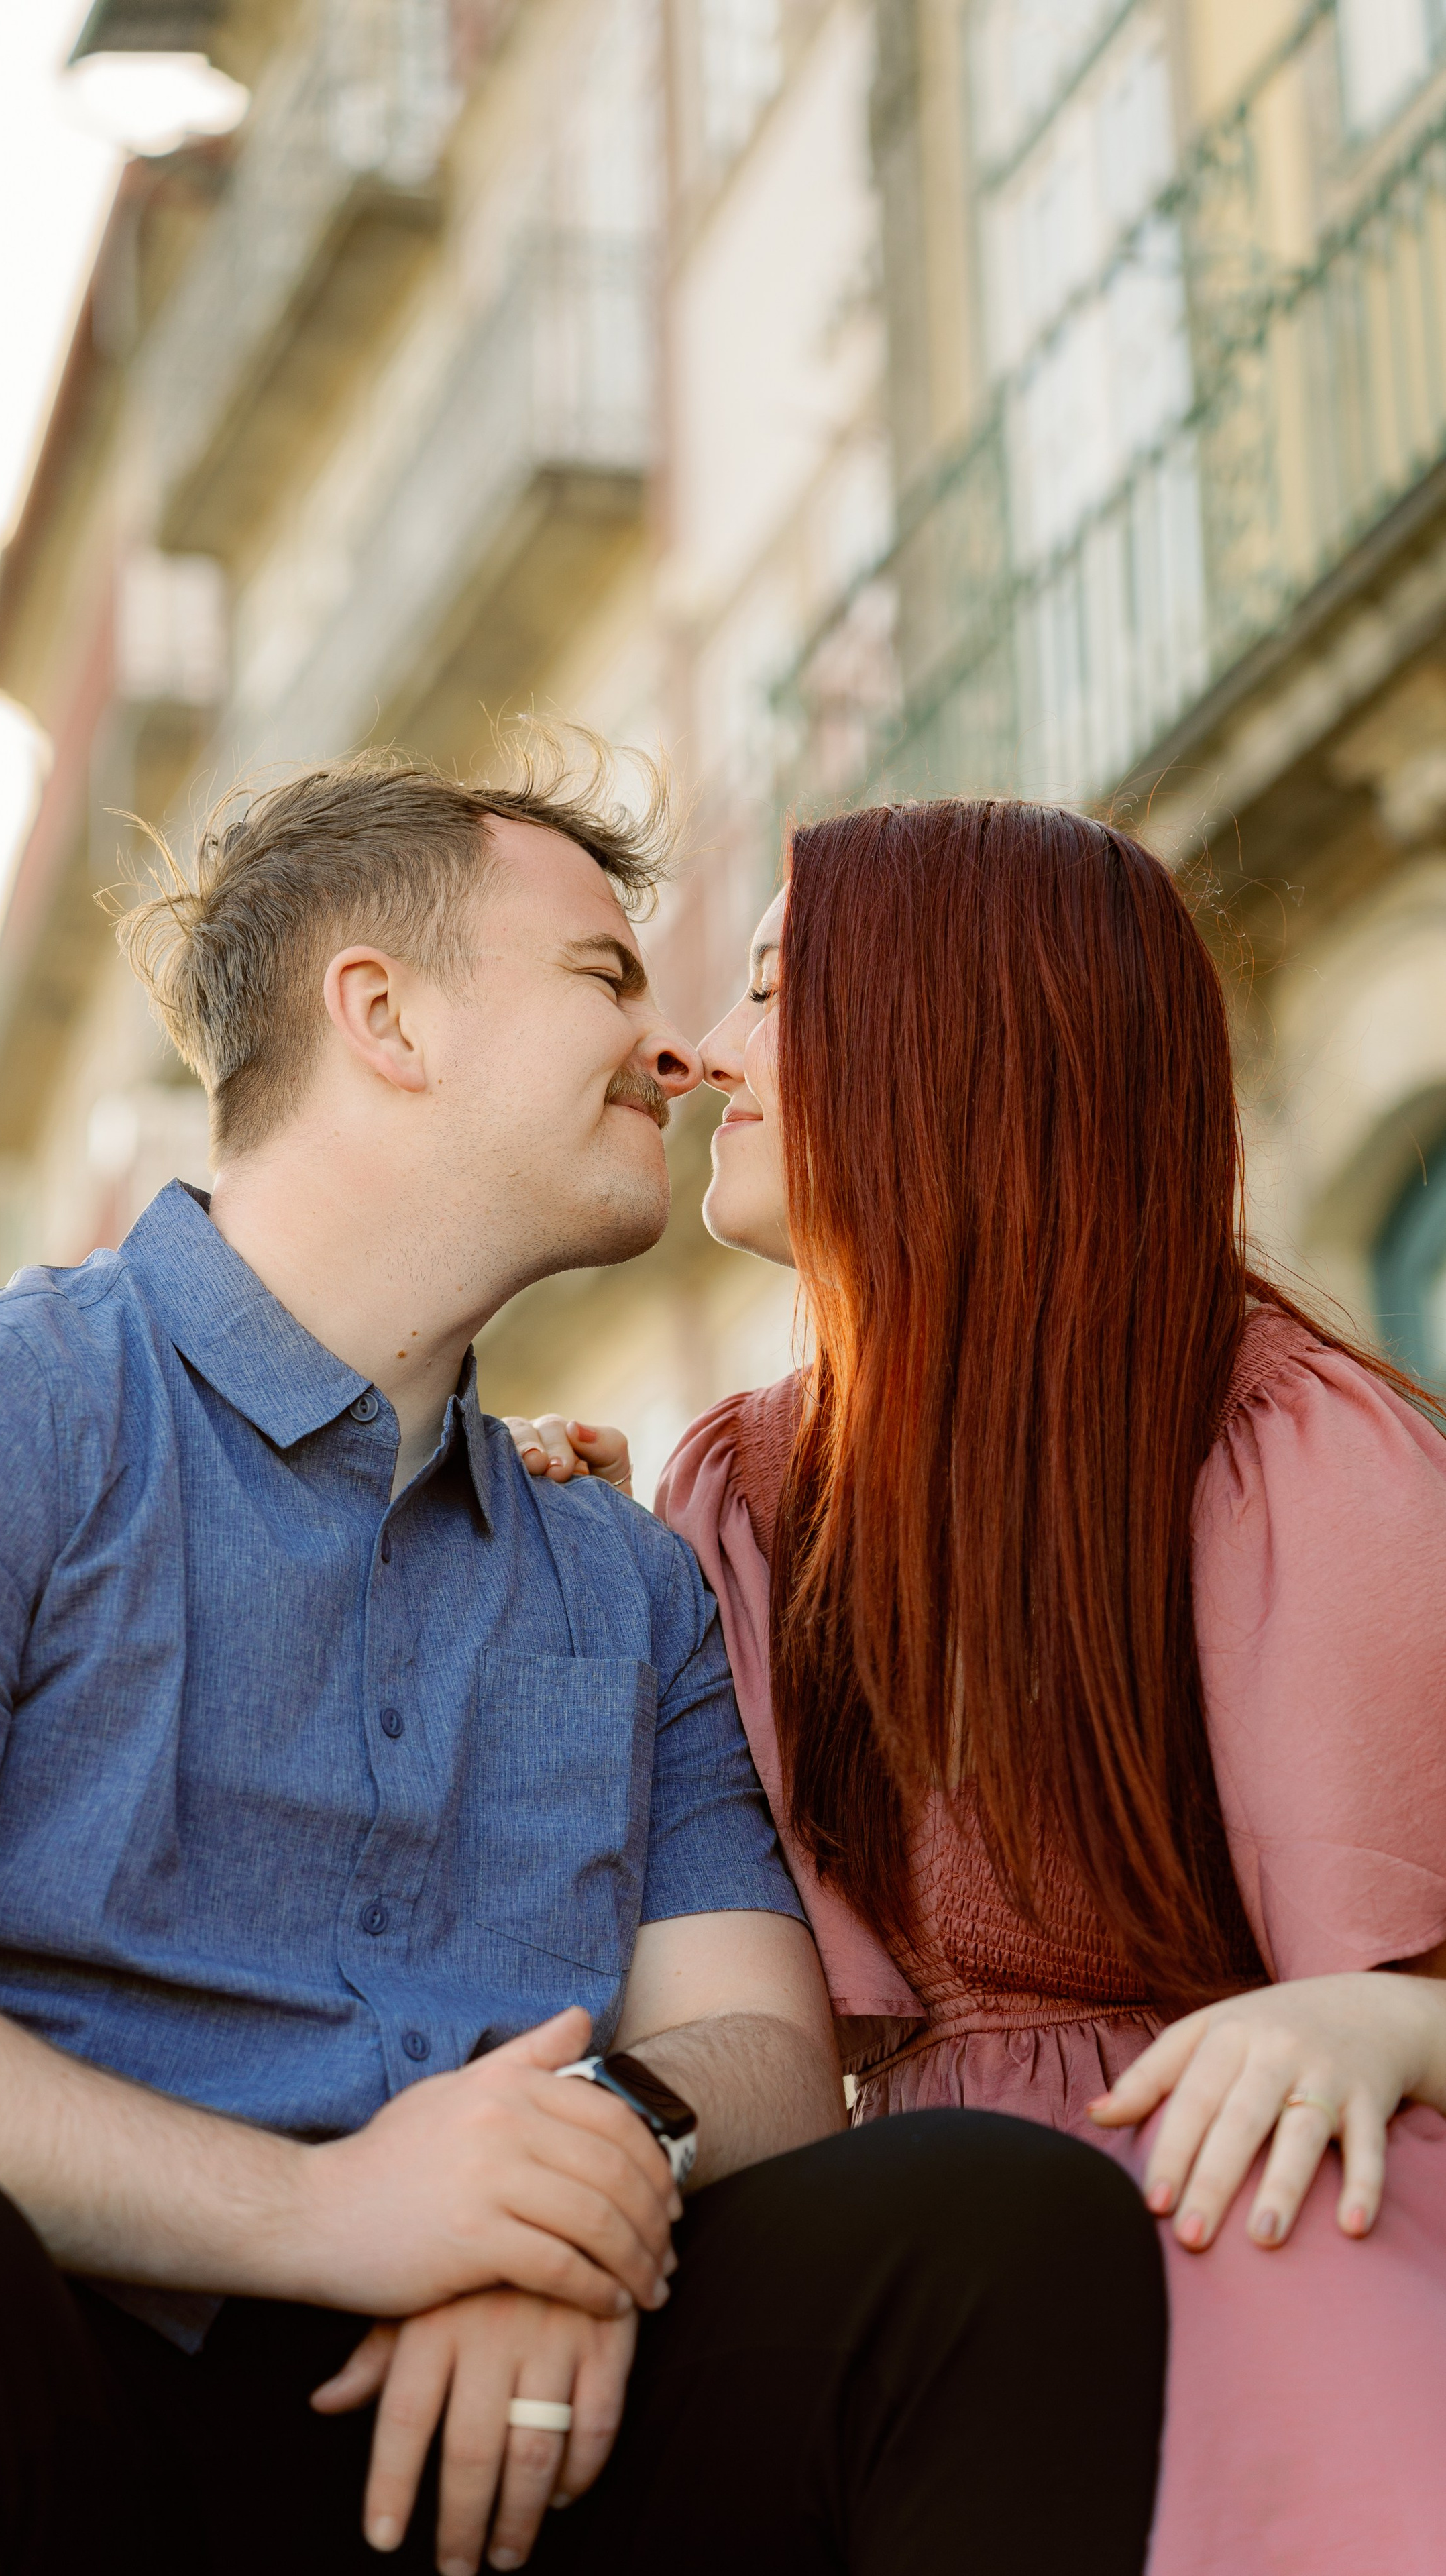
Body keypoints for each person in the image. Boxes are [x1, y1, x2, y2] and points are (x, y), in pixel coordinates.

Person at [0, 750, 1167, 2576]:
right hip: (67, 2382)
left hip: (500, 2439)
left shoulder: (621, 1574)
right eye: (603, 977)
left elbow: (765, 2053)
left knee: (998, 2234)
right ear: (383, 1015)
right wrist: (336, 2216)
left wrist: (570, 2186)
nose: (673, 1050)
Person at [513, 795, 1446, 2575]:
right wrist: (553, 1564)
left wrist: (1402, 2020)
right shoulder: (740, 1491)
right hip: (892, 2276)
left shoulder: (1287, 1449)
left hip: (1256, 2215)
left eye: (779, 988)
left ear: (958, 1042)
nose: (704, 1051)